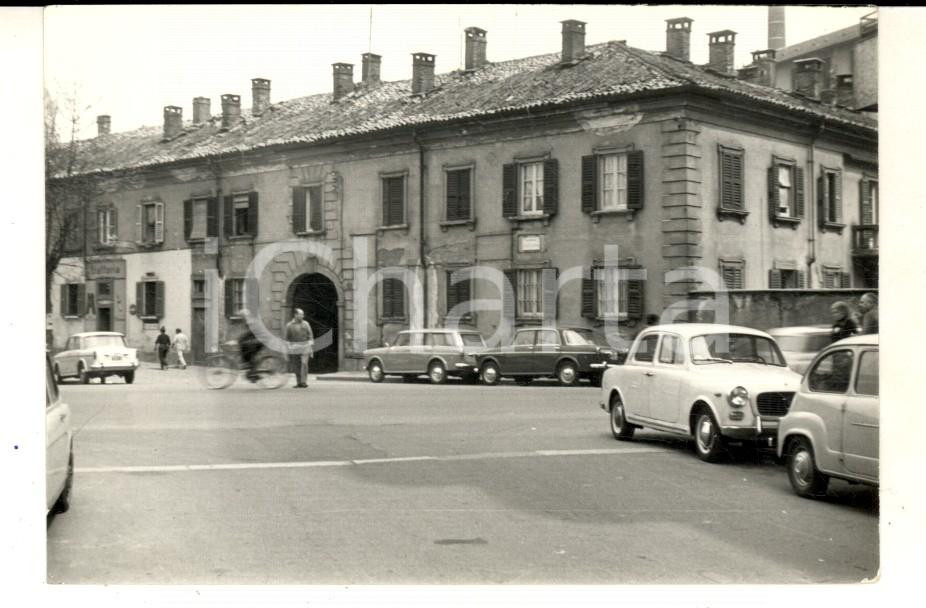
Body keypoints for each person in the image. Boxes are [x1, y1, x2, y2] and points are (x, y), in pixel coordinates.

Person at [285, 308, 314, 388]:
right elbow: (287, 338)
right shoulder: (289, 325)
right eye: (300, 314)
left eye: (302, 314)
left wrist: (310, 345)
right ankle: (299, 382)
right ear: (295, 315)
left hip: (305, 346)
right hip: (295, 347)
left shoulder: (306, 324)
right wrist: (288, 347)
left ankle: (304, 382)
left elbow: (310, 335)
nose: (302, 316)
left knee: (304, 363)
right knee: (296, 365)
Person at [236, 311, 262, 382]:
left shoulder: (250, 322)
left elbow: (249, 333)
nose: (241, 319)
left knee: (249, 352)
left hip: (260, 340)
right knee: (245, 348)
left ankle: (254, 374)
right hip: (256, 339)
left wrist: (240, 339)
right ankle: (251, 372)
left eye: (242, 317)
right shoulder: (248, 321)